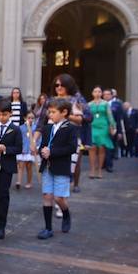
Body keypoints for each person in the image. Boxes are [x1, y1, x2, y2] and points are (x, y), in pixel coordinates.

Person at [34, 98, 79, 239]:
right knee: (47, 196)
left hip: (61, 167)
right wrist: (41, 150)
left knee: (59, 198)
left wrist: (52, 152)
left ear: (64, 112)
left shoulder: (70, 128)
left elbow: (72, 148)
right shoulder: (47, 128)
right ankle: (48, 228)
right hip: (47, 167)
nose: (49, 114)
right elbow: (43, 145)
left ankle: (66, 213)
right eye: (49, 111)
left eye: (53, 112)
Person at [0, 99, 22, 239]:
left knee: (2, 194)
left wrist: (5, 149)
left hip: (6, 166)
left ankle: (1, 224)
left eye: (5, 115)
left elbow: (19, 148)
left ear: (10, 114)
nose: (1, 117)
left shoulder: (15, 129)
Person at [88, 86, 115, 179]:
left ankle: (99, 170)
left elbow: (110, 115)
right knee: (92, 148)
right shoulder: (89, 104)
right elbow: (87, 116)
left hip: (103, 127)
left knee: (101, 148)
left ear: (101, 94)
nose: (97, 93)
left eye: (99, 91)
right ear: (92, 93)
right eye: (95, 91)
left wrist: (112, 126)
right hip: (92, 127)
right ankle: (92, 170)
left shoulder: (106, 104)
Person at [103, 88, 123, 171]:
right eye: (105, 94)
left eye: (108, 94)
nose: (106, 96)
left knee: (110, 147)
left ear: (111, 95)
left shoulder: (117, 105)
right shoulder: (100, 104)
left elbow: (119, 119)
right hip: (101, 128)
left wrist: (119, 132)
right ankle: (102, 164)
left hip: (112, 129)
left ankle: (109, 165)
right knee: (102, 147)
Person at [15, 110, 35, 189]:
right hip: (23, 149)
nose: (30, 120)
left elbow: (38, 139)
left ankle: (29, 182)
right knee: (20, 165)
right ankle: (19, 181)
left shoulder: (35, 128)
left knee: (29, 167)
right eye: (29, 118)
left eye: (32, 118)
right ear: (25, 118)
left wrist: (35, 147)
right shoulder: (21, 128)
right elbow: (19, 139)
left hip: (30, 150)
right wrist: (20, 148)